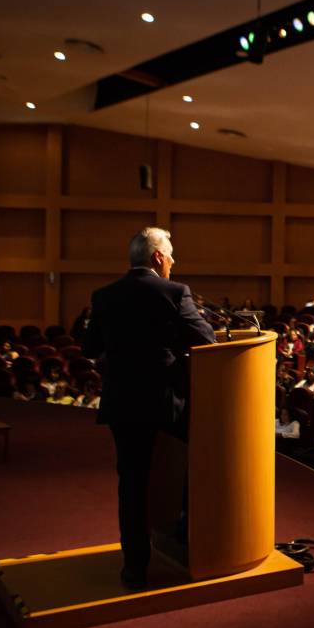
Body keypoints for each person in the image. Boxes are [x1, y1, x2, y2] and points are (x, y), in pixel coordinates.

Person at [81, 226, 216, 590]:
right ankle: (187, 535)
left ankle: (135, 568)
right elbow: (206, 339)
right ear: (158, 257)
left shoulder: (104, 296)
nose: (173, 260)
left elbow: (90, 347)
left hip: (122, 402)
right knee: (199, 462)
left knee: (132, 484)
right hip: (165, 401)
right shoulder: (174, 292)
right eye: (171, 254)